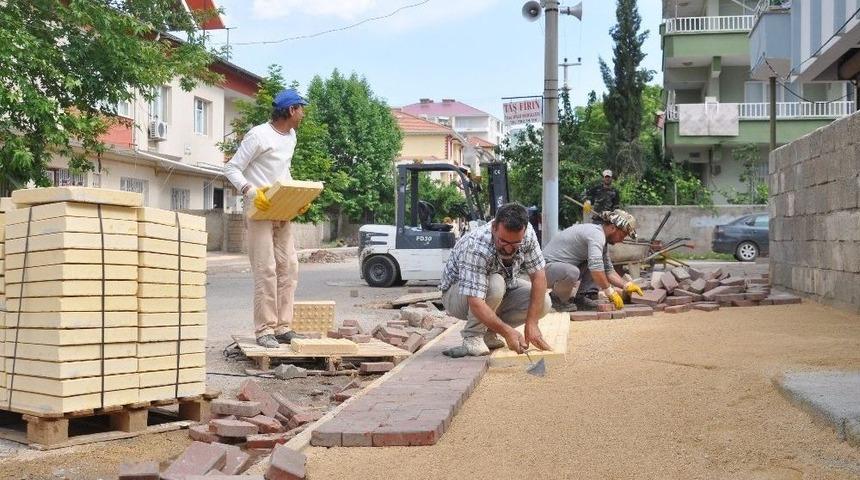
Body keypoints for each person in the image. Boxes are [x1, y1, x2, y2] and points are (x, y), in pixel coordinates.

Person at [223, 88, 309, 349]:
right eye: (301, 108)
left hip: (282, 208)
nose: (303, 114)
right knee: (266, 269)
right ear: (291, 110)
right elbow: (231, 168)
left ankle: (284, 327)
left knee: (289, 267)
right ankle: (264, 330)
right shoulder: (258, 135)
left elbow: (284, 171)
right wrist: (250, 191)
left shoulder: (291, 136)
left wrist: (297, 199)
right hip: (259, 207)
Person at [439, 202, 552, 357]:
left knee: (544, 302)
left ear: (524, 231)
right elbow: (476, 301)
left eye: (515, 244)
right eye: (503, 241)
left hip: (500, 288)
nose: (508, 249)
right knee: (496, 283)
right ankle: (472, 337)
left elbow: (539, 276)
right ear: (494, 228)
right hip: (457, 296)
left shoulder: (528, 234)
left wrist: (532, 323)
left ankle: (488, 333)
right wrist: (507, 332)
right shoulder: (476, 245)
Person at [543, 209, 643, 312]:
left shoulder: (601, 240)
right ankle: (556, 300)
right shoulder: (596, 235)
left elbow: (608, 270)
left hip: (557, 269)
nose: (621, 240)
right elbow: (596, 269)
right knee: (578, 270)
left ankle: (582, 298)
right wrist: (609, 291)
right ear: (613, 228)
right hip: (544, 271)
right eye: (622, 235)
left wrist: (626, 285)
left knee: (596, 262)